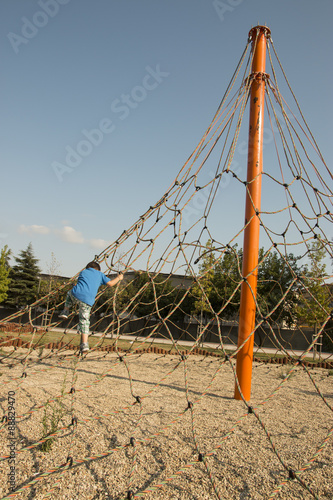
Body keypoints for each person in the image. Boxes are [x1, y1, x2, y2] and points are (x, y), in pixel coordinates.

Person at [59, 261, 123, 353]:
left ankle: (65, 311)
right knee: (84, 321)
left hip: (76, 294)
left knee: (69, 293)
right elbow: (110, 284)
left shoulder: (83, 272)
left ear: (88, 267)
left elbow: (82, 284)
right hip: (87, 301)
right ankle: (84, 344)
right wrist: (119, 278)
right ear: (98, 269)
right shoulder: (100, 274)